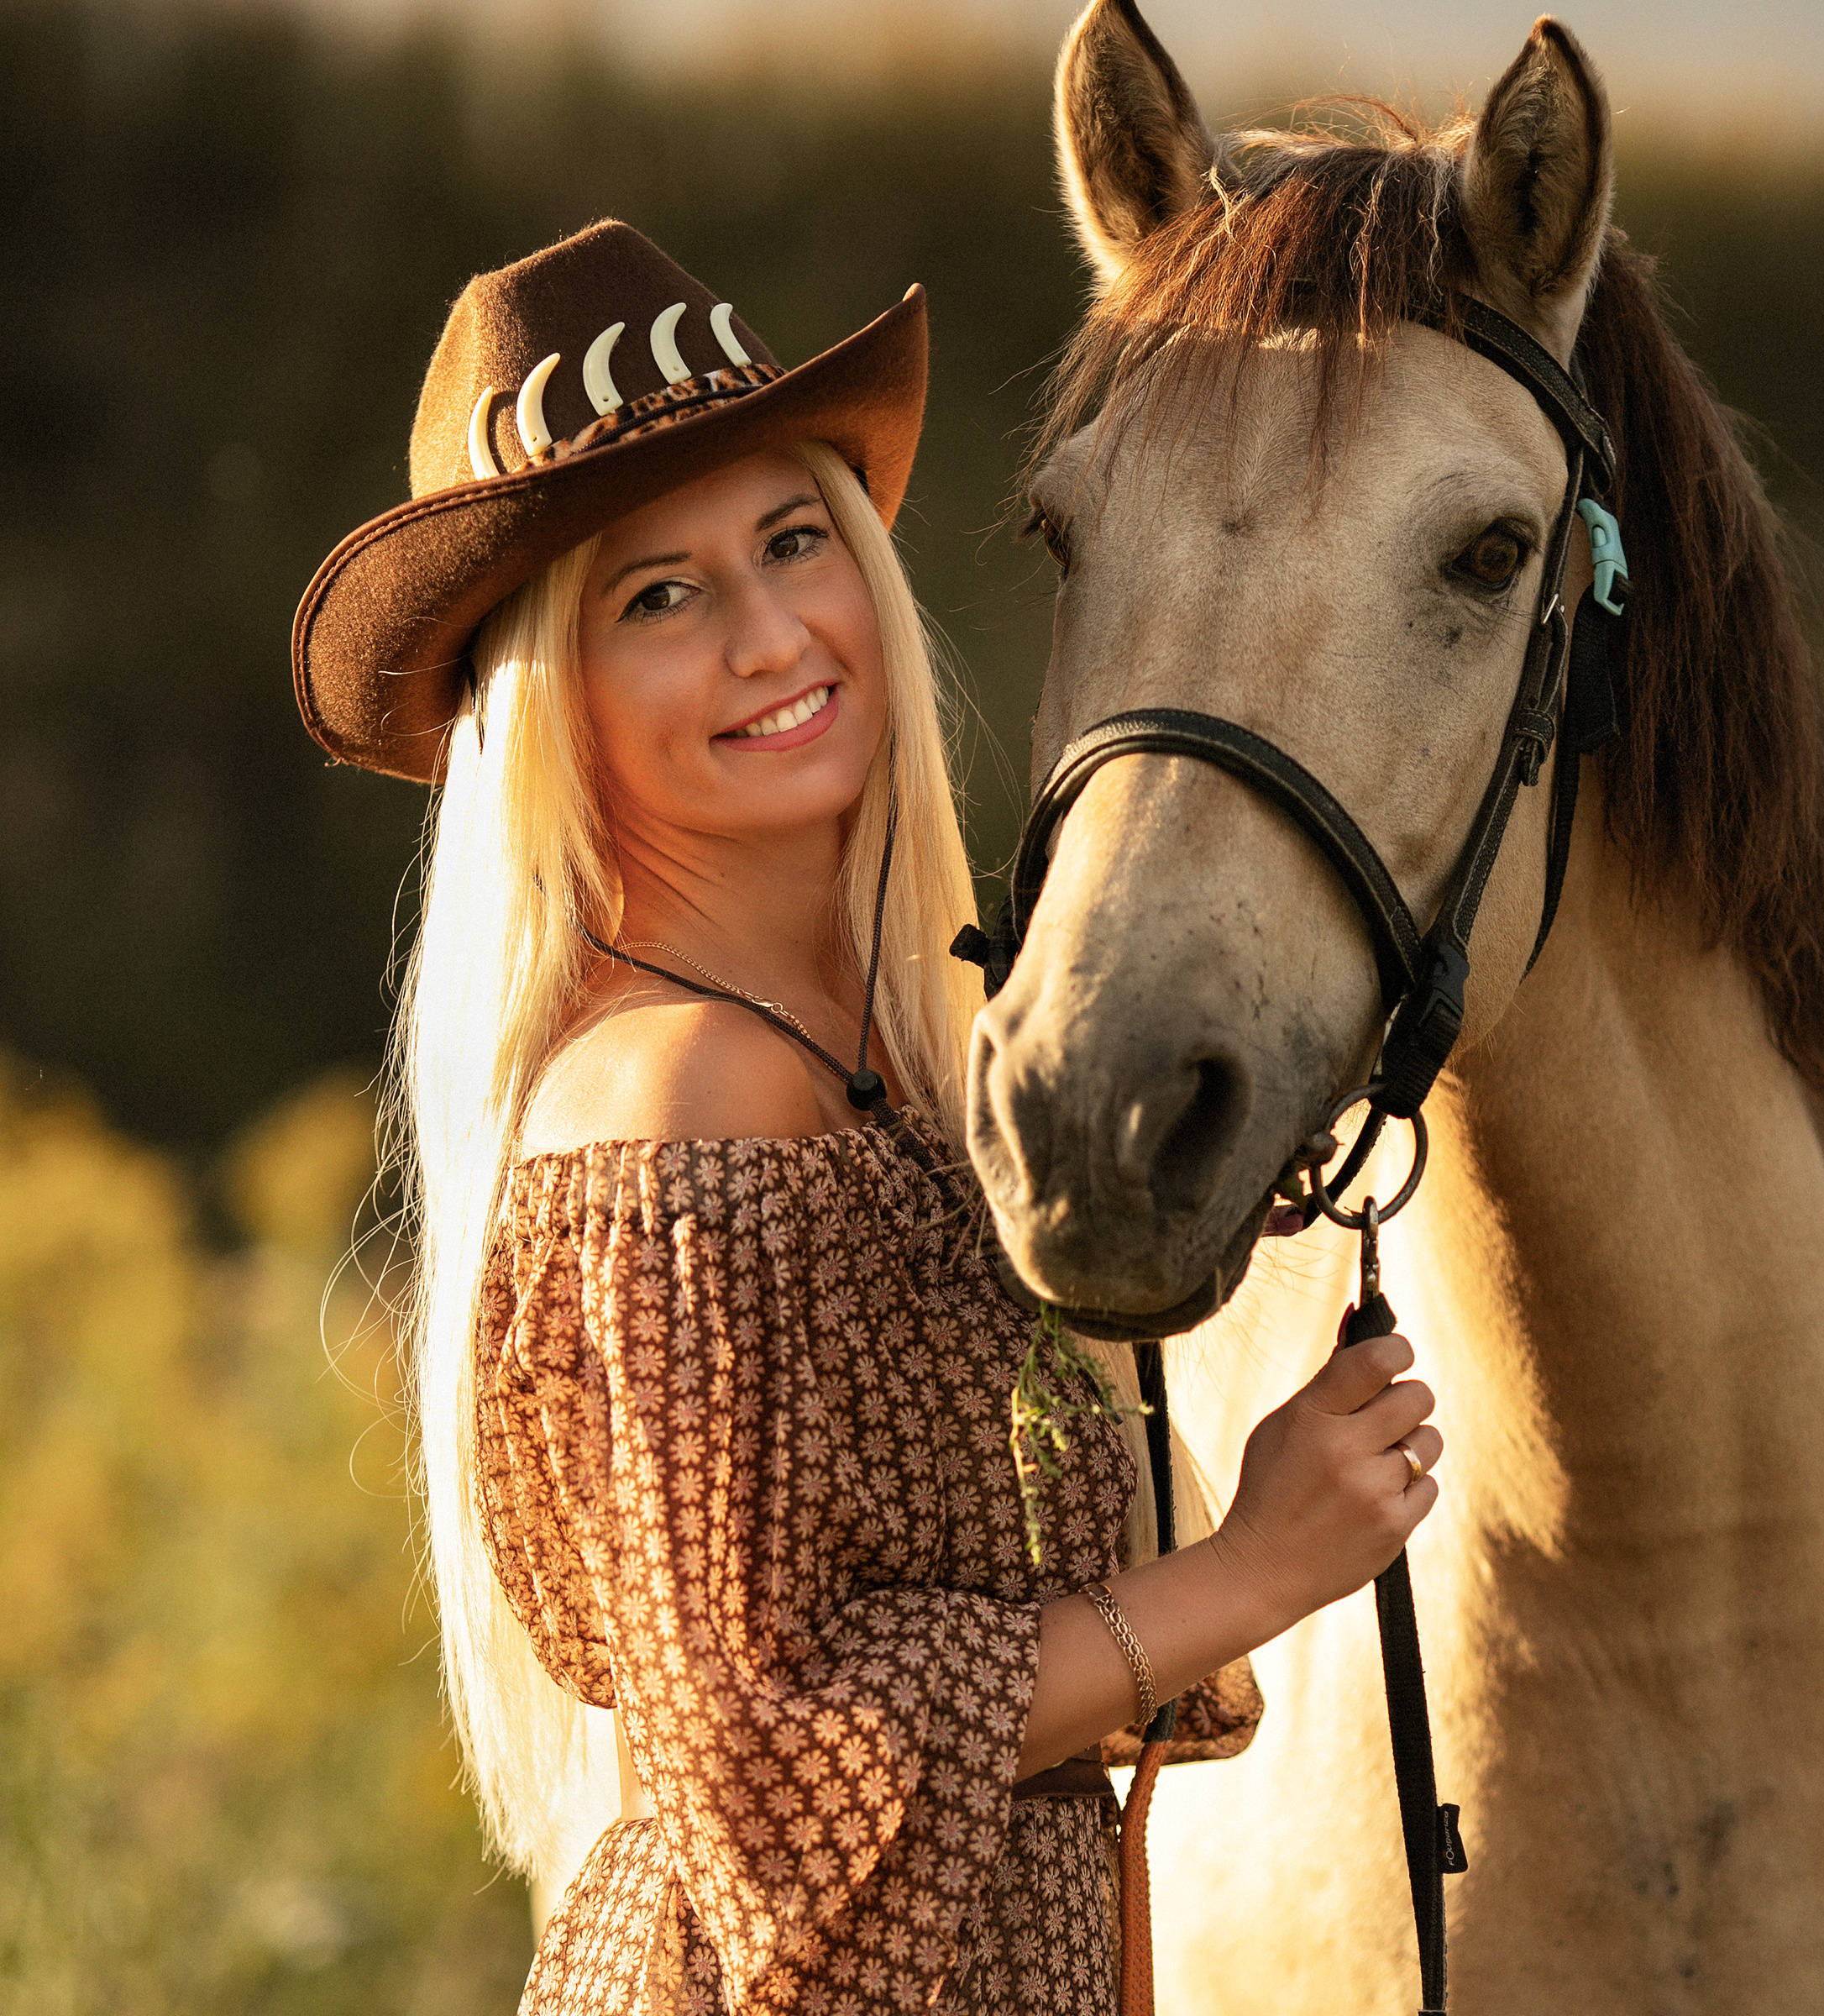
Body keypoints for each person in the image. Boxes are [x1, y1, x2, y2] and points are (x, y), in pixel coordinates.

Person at [292, 220, 1442, 2014]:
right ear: (550, 702)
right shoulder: (679, 1117)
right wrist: (1249, 1571)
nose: (771, 635)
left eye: (791, 540)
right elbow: (768, 1761)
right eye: (656, 597)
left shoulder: (884, 1055)